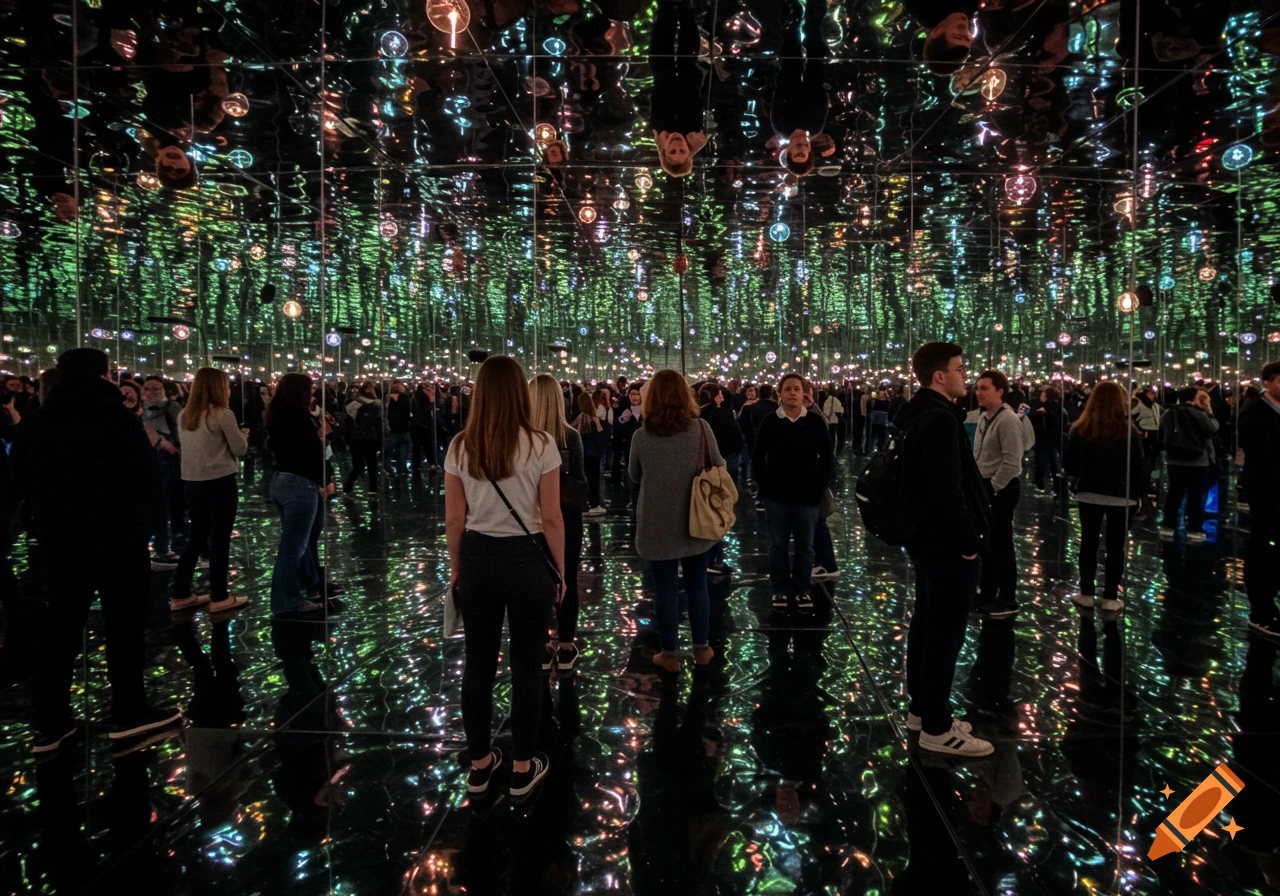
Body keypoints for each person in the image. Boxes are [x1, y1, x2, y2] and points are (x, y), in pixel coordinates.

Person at [14, 348, 180, 754]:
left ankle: (51, 723)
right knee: (124, 624)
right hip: (116, 535)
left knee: (62, 626)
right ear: (103, 375)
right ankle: (129, 710)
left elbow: (19, 477)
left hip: (61, 538)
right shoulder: (117, 421)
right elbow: (145, 480)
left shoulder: (37, 422)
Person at [445, 356, 564, 800]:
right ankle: (521, 765)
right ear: (520, 393)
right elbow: (551, 517)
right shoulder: (540, 444)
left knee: (477, 665)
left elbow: (454, 518)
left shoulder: (461, 445)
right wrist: (560, 568)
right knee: (528, 666)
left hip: (477, 556)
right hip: (527, 557)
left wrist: (457, 568)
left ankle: (479, 766)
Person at [894, 342, 994, 758]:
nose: (964, 375)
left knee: (927, 622)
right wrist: (968, 543)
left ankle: (922, 709)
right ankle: (936, 724)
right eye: (959, 368)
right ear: (939, 376)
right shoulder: (939, 420)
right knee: (945, 633)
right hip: (946, 542)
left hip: (924, 539)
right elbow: (946, 489)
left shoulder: (918, 414)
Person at [629, 369, 725, 672]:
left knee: (665, 589)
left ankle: (669, 654)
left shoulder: (642, 436)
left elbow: (633, 475)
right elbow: (719, 465)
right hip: (696, 519)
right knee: (698, 586)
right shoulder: (701, 429)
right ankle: (702, 649)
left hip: (657, 523)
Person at [752, 373, 834, 616]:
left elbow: (827, 458)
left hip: (808, 497)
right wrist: (765, 488)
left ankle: (802, 589)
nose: (792, 393)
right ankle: (780, 588)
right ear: (780, 393)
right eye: (787, 389)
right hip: (777, 497)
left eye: (796, 389)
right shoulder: (770, 421)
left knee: (805, 546)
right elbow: (757, 457)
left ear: (804, 393)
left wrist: (819, 485)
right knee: (777, 545)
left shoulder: (815, 422)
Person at [170, 368, 249, 616]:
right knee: (220, 539)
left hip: (192, 483)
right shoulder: (222, 414)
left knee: (197, 537)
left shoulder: (185, 415)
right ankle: (220, 596)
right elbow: (240, 450)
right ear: (218, 387)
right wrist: (244, 436)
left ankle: (181, 593)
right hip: (220, 482)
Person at [1063, 382, 1146, 615]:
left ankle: (1086, 593)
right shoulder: (1130, 432)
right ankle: (1110, 596)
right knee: (1116, 547)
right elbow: (1139, 467)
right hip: (1122, 497)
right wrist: (1141, 496)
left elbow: (1069, 464)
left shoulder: (1080, 429)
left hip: (1089, 493)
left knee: (1088, 544)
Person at [530, 373, 586, 671]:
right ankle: (565, 646)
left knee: (534, 581)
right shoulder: (570, 437)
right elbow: (581, 481)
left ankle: (539, 644)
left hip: (531, 519)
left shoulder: (523, 439)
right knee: (567, 579)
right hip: (567, 518)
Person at [972, 370, 1034, 619]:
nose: (978, 392)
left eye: (984, 388)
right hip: (986, 486)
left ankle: (1007, 597)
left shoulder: (1007, 420)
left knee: (1001, 544)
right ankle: (988, 592)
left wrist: (994, 487)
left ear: (1000, 391)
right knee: (987, 543)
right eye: (977, 387)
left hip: (1000, 489)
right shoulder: (985, 417)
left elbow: (1012, 460)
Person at [267, 374, 329, 617]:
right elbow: (312, 452)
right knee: (293, 547)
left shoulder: (276, 414)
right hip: (300, 483)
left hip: (281, 479)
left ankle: (307, 582)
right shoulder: (299, 417)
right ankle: (286, 600)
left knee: (298, 540)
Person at [1237, 361, 1280, 639]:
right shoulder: (1254, 412)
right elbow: (1263, 457)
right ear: (1268, 382)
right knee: (1261, 545)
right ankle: (1260, 610)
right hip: (1267, 490)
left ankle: (1268, 600)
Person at [648, 0, 707, 178]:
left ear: (664, 151)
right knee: (688, 48)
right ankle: (684, 7)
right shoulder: (695, 133)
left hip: (663, 77)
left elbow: (655, 98)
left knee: (660, 46)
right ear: (689, 152)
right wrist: (699, 142)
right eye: (682, 151)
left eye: (672, 151)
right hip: (688, 78)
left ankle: (666, 7)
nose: (677, 146)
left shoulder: (658, 129)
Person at [1158, 386, 1220, 542]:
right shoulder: (1199, 413)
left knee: (1174, 493)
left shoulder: (1168, 413)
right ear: (1194, 397)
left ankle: (1168, 526)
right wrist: (1208, 410)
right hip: (1198, 461)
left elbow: (1161, 433)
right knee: (1195, 494)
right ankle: (1194, 528)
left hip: (1174, 460)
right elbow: (1212, 429)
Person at [141, 376, 186, 560]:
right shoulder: (138, 408)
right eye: (148, 388)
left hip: (169, 458)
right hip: (146, 458)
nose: (152, 392)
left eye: (156, 389)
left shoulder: (173, 408)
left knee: (168, 499)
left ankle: (167, 539)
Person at [571, 391, 610, 518]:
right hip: (595, 452)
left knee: (588, 478)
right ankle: (595, 504)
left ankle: (590, 504)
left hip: (585, 452)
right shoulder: (594, 418)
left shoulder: (582, 418)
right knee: (594, 478)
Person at [344, 383, 383, 493]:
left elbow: (348, 423)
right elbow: (378, 424)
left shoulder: (350, 403)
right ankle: (373, 489)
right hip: (370, 437)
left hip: (355, 438)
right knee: (372, 464)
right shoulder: (375, 405)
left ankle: (348, 485)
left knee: (358, 465)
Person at [1031, 386, 1070, 495]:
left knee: (1042, 464)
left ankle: (1041, 486)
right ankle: (1060, 489)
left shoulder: (1045, 409)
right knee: (1056, 466)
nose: (1041, 397)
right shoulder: (1061, 408)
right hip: (1056, 441)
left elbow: (1040, 424)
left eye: (1043, 395)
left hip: (1045, 440)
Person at [384, 382, 412, 477]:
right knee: (403, 449)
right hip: (404, 427)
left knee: (389, 450)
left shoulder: (388, 398)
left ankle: (388, 467)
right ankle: (402, 469)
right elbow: (408, 411)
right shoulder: (405, 398)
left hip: (392, 428)